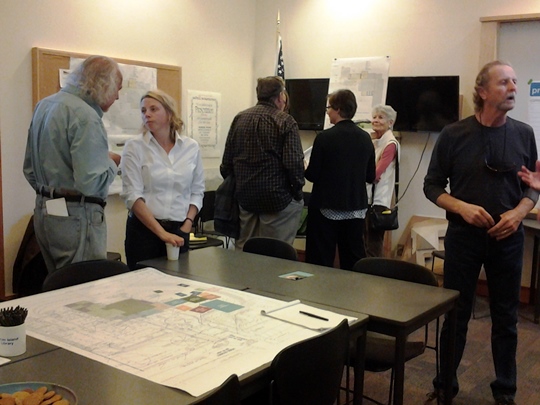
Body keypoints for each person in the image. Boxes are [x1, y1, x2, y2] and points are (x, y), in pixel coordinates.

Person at [423, 60, 538, 405]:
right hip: (463, 239)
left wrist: (519, 213)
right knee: (455, 316)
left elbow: (533, 189)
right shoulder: (454, 134)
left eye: (515, 82)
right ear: (483, 91)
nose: (514, 88)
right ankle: (445, 386)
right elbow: (432, 187)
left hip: (509, 240)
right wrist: (461, 207)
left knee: (506, 319)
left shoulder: (524, 134)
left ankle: (505, 391)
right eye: (505, 82)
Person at [23, 55, 123, 273]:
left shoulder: (44, 105)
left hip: (44, 211)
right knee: (81, 291)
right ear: (104, 86)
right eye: (117, 89)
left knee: (58, 285)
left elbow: (29, 170)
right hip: (77, 215)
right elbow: (91, 184)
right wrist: (113, 162)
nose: (117, 96)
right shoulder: (86, 116)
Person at [121, 89, 204, 270]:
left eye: (153, 109)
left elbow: (197, 191)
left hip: (179, 229)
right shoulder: (135, 147)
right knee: (144, 288)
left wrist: (188, 223)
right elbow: (132, 196)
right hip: (144, 230)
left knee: (178, 286)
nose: (147, 115)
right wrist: (161, 233)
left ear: (168, 113)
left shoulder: (190, 147)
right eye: (143, 111)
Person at [220, 76, 304, 249]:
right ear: (281, 96)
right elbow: (293, 164)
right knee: (275, 253)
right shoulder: (286, 121)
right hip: (278, 200)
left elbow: (226, 164)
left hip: (245, 198)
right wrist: (297, 193)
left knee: (245, 250)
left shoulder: (239, 118)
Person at [304, 89, 376, 270]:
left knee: (320, 261)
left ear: (337, 109)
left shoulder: (324, 138)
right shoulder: (365, 138)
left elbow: (312, 175)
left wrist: (303, 166)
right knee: (353, 260)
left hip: (326, 208)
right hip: (356, 208)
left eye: (328, 108)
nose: (327, 112)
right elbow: (370, 176)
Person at [365, 104, 400, 257]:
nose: (375, 120)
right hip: (369, 198)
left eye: (380, 117)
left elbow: (375, 173)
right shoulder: (375, 141)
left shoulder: (390, 144)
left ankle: (374, 275)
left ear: (390, 122)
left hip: (378, 201)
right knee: (365, 241)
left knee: (373, 242)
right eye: (374, 117)